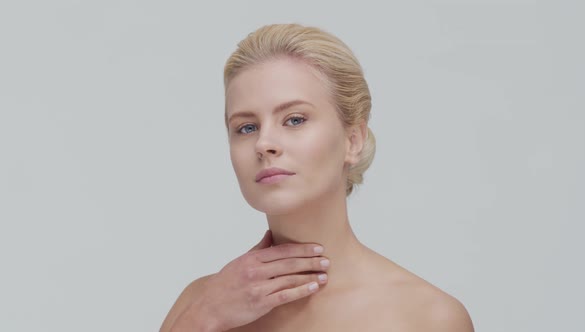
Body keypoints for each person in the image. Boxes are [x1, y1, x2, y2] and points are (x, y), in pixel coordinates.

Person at [160, 23, 474, 332]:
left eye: (294, 120)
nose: (264, 143)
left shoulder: (428, 318)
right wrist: (202, 319)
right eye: (246, 127)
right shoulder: (202, 303)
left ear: (353, 140)